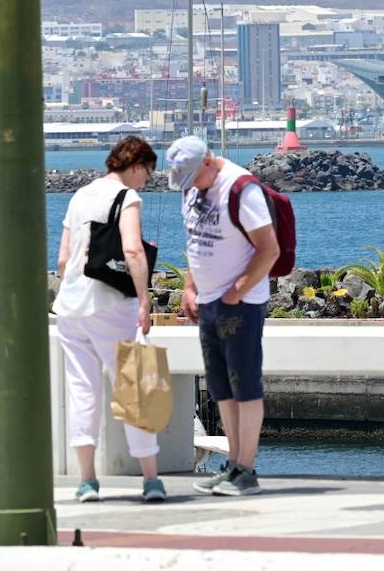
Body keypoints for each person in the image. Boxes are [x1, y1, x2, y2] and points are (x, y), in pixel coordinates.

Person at [53, 135, 166, 503]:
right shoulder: (127, 197)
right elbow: (132, 250)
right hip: (111, 306)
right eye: (147, 173)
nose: (146, 180)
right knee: (134, 387)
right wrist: (145, 302)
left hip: (71, 308)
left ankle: (88, 481)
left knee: (82, 391)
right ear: (135, 167)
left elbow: (62, 260)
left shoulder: (80, 195)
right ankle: (150, 480)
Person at [165, 135, 278, 497]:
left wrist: (238, 290)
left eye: (193, 178)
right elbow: (194, 241)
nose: (190, 188)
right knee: (221, 389)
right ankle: (232, 466)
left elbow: (269, 249)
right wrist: (190, 286)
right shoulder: (192, 189)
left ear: (209, 162)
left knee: (244, 385)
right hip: (209, 301)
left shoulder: (242, 190)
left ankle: (247, 469)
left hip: (240, 305)